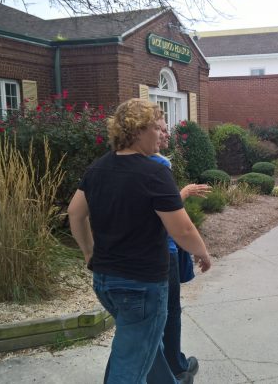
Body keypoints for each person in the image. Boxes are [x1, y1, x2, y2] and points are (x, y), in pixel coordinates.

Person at [67, 98, 212, 384]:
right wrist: (203, 253)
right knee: (129, 363)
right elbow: (182, 230)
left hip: (106, 282)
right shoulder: (154, 172)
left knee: (143, 342)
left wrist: (88, 252)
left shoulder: (98, 168)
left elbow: (75, 213)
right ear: (138, 130)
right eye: (156, 128)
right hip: (141, 286)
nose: (161, 134)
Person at [148, 118, 210, 383]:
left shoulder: (113, 165)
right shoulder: (159, 164)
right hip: (164, 249)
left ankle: (163, 366)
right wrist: (183, 192)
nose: (165, 133)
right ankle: (175, 365)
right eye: (159, 128)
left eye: (165, 128)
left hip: (140, 256)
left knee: (151, 318)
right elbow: (171, 215)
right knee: (169, 311)